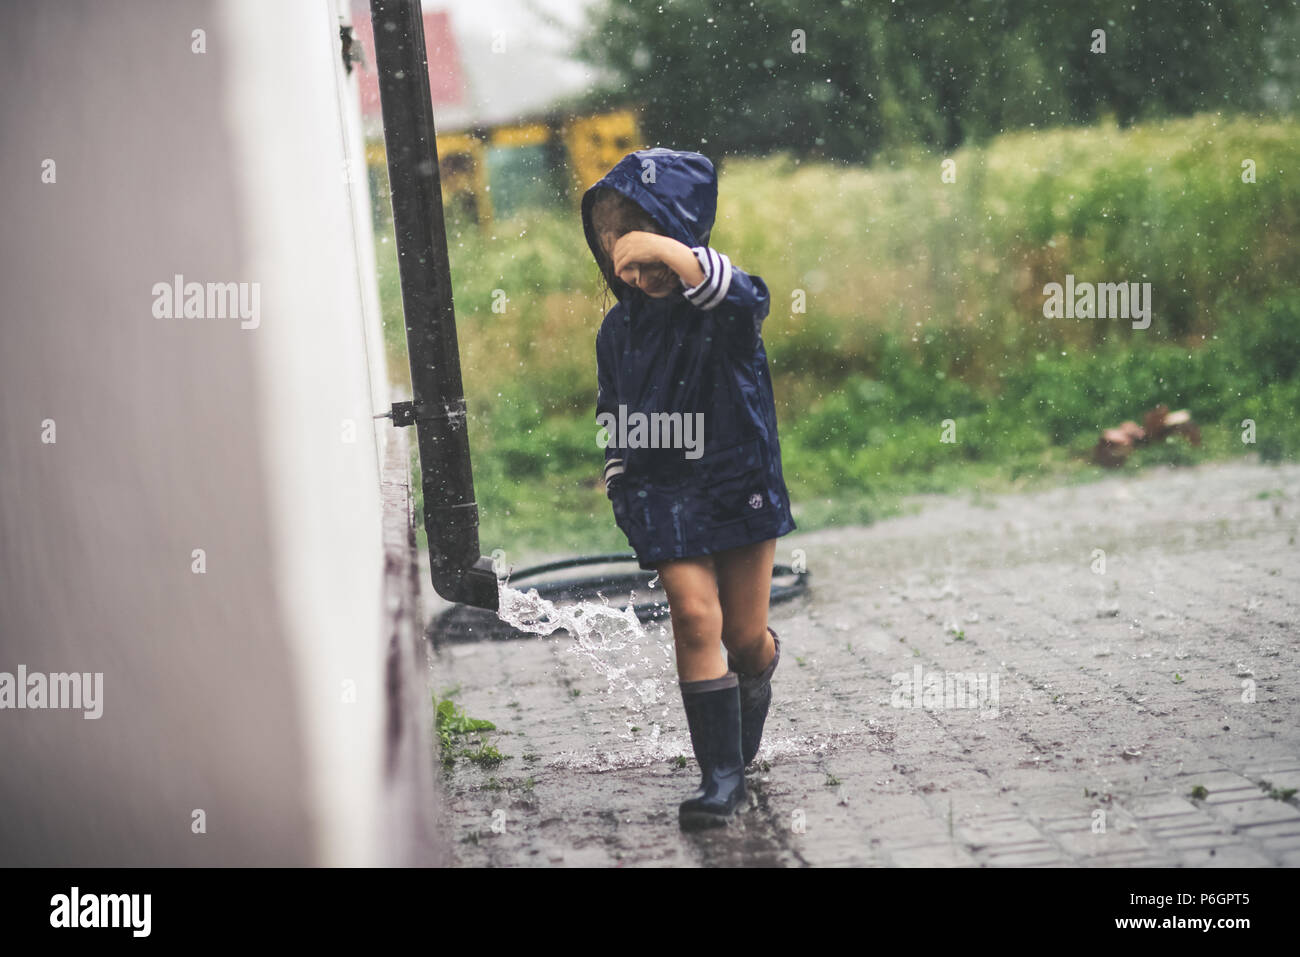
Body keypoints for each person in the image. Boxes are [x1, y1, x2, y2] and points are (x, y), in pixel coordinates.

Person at [580, 148, 796, 829]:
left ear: (684, 239)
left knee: (742, 634)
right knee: (693, 614)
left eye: (653, 257)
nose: (641, 275)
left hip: (738, 479)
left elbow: (739, 292)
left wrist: (671, 252)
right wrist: (623, 491)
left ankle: (760, 668)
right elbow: (613, 418)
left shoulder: (724, 309)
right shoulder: (618, 331)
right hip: (663, 489)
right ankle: (720, 776)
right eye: (626, 263)